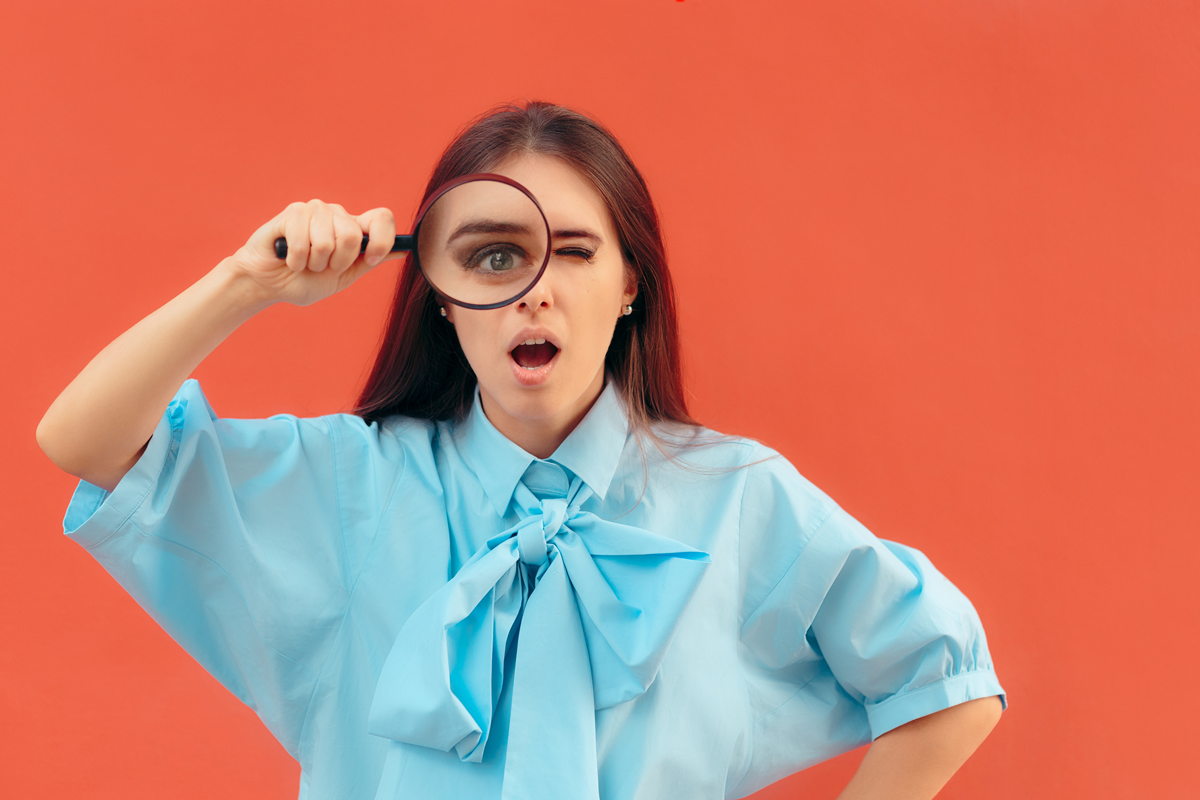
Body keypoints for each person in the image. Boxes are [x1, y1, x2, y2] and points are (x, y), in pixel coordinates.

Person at [37, 101, 1007, 800]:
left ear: (632, 285)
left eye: (574, 251)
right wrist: (245, 282)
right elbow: (79, 439)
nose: (535, 287)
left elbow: (947, 679)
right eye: (492, 256)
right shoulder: (349, 485)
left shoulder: (739, 499)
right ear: (443, 293)